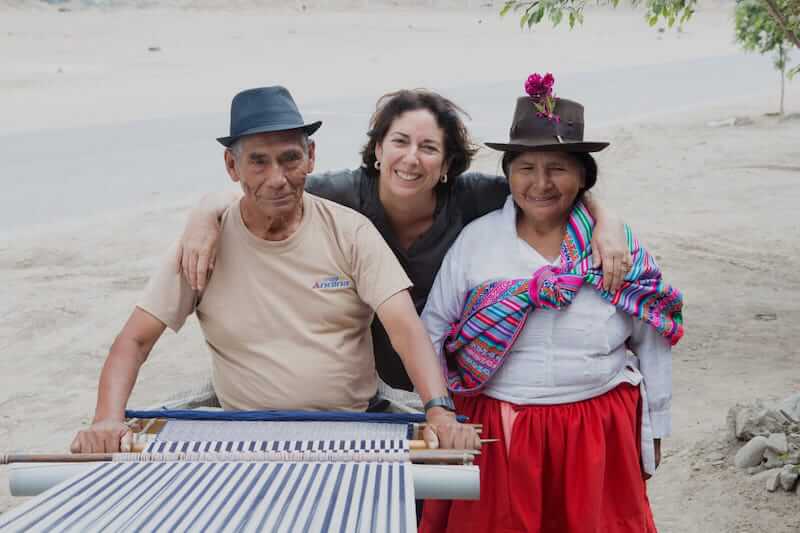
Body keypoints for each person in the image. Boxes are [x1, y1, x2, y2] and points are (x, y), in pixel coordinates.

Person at [70, 86, 479, 454]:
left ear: (311, 157)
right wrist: (106, 418)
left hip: (355, 426)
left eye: (289, 159)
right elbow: (135, 341)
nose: (277, 178)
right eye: (258, 163)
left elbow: (405, 329)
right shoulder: (202, 246)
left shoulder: (350, 231)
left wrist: (439, 409)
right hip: (242, 433)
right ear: (232, 167)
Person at [177, 89, 632, 393]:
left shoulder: (471, 199)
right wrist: (204, 212)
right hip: (364, 388)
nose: (411, 159)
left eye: (429, 148)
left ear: (448, 163)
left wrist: (606, 220)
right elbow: (270, 188)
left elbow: (547, 191)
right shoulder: (342, 195)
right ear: (377, 150)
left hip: (448, 383)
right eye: (399, 142)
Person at [418, 80, 684, 533]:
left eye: (558, 168)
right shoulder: (479, 243)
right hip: (499, 436)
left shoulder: (615, 251)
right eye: (525, 168)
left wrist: (657, 427)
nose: (540, 183)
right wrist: (440, 413)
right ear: (508, 174)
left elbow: (652, 336)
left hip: (596, 433)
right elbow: (432, 331)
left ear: (583, 177)